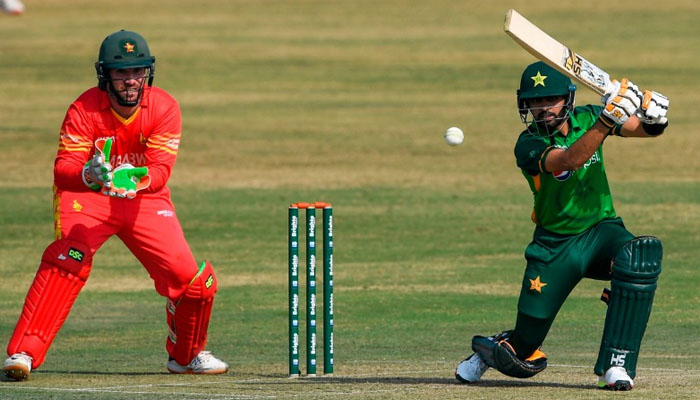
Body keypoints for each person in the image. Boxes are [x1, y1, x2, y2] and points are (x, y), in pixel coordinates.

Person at [3, 30, 228, 381]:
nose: (130, 80)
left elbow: (160, 170)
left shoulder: (165, 107)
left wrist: (134, 180)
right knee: (69, 258)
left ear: (148, 73)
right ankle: (24, 353)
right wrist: (88, 174)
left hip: (143, 199)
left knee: (191, 281)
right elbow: (63, 171)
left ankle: (186, 356)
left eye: (137, 71)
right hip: (89, 196)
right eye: (121, 72)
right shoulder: (83, 109)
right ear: (105, 75)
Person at [455, 61, 669, 390]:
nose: (543, 108)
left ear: (567, 99)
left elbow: (643, 130)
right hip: (554, 247)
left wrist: (656, 118)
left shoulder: (588, 117)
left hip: (601, 230)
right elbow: (570, 160)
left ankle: (616, 365)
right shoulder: (527, 144)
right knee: (522, 351)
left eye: (551, 99)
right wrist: (607, 119)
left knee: (638, 257)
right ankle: (490, 349)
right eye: (535, 102)